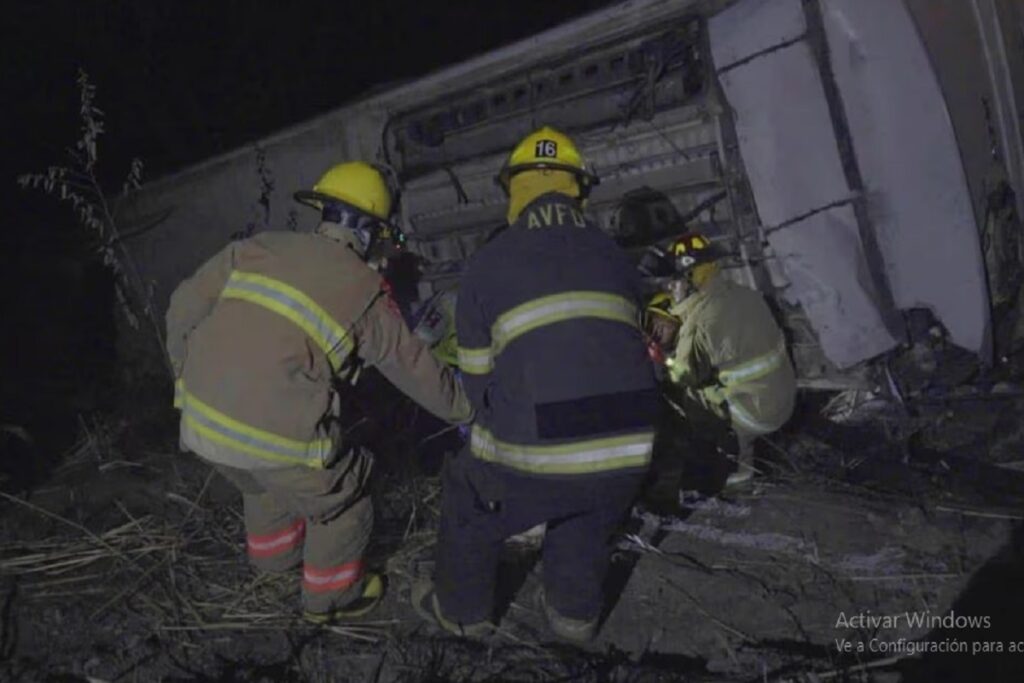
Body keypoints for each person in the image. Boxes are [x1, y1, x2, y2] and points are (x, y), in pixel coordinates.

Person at [165, 161, 472, 623]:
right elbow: (414, 368)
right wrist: (467, 407)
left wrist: (186, 378)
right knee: (346, 497)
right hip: (274, 437)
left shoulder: (255, 248)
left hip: (200, 424)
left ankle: (272, 567)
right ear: (368, 232)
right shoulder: (363, 289)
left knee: (260, 482)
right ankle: (330, 600)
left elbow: (180, 308)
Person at [413, 126, 659, 642]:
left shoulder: (489, 262)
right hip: (631, 445)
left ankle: (462, 613)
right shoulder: (617, 258)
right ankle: (574, 616)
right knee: (587, 512)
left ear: (514, 192)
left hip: (542, 449)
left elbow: (478, 384)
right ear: (580, 191)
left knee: (469, 492)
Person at [643, 232, 796, 507]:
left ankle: (729, 467)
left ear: (688, 279)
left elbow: (684, 376)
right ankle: (747, 451)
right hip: (785, 401)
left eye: (673, 283)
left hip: (756, 415)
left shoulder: (699, 322)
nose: (670, 289)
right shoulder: (746, 295)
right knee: (724, 384)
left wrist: (663, 360)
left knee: (689, 399)